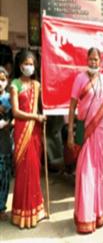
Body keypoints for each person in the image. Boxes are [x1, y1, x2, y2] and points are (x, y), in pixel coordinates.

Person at [67, 47, 103, 234]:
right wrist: (69, 133)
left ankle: (99, 213)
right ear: (87, 60)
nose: (93, 62)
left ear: (101, 62)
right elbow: (72, 106)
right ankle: (85, 217)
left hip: (101, 134)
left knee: (99, 174)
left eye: (96, 60)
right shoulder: (80, 79)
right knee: (85, 174)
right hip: (85, 132)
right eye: (90, 59)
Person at [10, 50, 46, 228]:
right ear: (19, 65)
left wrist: (39, 118)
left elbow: (37, 109)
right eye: (26, 63)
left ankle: (35, 211)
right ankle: (21, 213)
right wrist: (35, 117)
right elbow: (16, 112)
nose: (28, 67)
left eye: (31, 64)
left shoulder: (37, 85)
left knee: (33, 169)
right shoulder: (14, 84)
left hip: (34, 132)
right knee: (23, 171)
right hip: (21, 130)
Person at [0, 67, 12, 221]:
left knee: (4, 177)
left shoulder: (10, 98)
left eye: (3, 79)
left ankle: (1, 207)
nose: (0, 83)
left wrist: (7, 121)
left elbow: (14, 116)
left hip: (5, 144)